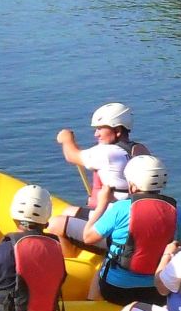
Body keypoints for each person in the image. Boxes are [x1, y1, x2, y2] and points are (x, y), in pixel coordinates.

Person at [73, 155, 181, 305]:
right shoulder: (176, 211)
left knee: (103, 263)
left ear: (132, 185)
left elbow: (88, 238)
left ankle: (91, 305)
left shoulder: (121, 208)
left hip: (117, 290)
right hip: (156, 291)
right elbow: (180, 244)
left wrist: (102, 204)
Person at [51, 102, 150, 244]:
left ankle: (71, 261)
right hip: (132, 214)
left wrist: (67, 139)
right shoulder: (141, 149)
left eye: (100, 129)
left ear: (118, 130)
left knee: (56, 223)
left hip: (118, 222)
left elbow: (71, 156)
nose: (96, 134)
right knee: (68, 211)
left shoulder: (108, 153)